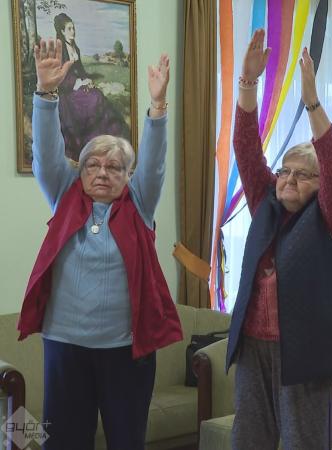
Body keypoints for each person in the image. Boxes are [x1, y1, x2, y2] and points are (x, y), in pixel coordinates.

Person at [17, 38, 180, 450]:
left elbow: (156, 164)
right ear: (80, 170)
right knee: (65, 443)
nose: (102, 172)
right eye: (93, 164)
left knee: (127, 441)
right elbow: (48, 154)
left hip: (126, 351)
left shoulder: (138, 203)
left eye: (114, 166)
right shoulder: (64, 194)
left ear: (128, 175)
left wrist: (158, 109)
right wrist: (45, 93)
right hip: (65, 347)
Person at [225, 29, 332, 449]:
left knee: (302, 441)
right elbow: (246, 148)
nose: (288, 179)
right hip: (254, 345)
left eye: (302, 174)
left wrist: (313, 102)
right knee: (249, 439)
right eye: (285, 170)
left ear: (321, 185)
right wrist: (248, 83)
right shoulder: (267, 202)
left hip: (303, 353)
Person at [52, 13, 129, 161]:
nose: (73, 31)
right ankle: (90, 141)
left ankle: (106, 139)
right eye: (69, 29)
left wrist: (86, 79)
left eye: (73, 28)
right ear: (62, 31)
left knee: (97, 94)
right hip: (66, 90)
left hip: (77, 84)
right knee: (92, 99)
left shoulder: (76, 48)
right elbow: (59, 76)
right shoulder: (59, 50)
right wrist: (78, 83)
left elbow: (80, 70)